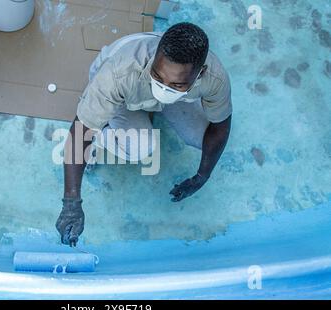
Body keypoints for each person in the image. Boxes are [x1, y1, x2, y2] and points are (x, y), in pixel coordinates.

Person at [56, 22, 232, 246]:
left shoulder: (214, 78)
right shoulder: (118, 73)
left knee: (201, 137)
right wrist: (71, 203)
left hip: (163, 89)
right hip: (125, 91)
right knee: (140, 148)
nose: (163, 87)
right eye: (157, 77)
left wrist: (202, 175)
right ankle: (104, 134)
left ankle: (164, 92)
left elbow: (220, 126)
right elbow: (81, 130)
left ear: (201, 73)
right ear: (157, 56)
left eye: (175, 84)